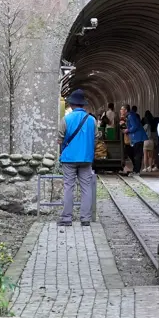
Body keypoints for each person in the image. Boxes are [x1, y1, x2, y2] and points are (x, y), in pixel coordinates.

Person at [57, 89, 97, 226]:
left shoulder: (66, 119)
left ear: (72, 104)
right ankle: (85, 219)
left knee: (69, 187)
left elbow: (60, 139)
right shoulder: (92, 120)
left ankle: (66, 218)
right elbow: (96, 138)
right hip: (86, 158)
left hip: (69, 158)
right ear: (83, 104)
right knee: (86, 188)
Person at [126, 104, 146, 175]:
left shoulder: (131, 116)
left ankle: (137, 171)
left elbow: (134, 126)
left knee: (137, 155)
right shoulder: (132, 115)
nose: (120, 111)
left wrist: (128, 130)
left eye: (122, 110)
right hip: (137, 138)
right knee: (134, 154)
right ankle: (135, 170)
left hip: (138, 138)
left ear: (126, 110)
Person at [141, 107, 158, 174]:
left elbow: (142, 131)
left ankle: (145, 168)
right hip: (151, 141)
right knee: (151, 156)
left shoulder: (145, 125)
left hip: (146, 140)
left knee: (145, 155)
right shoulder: (153, 124)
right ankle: (150, 167)